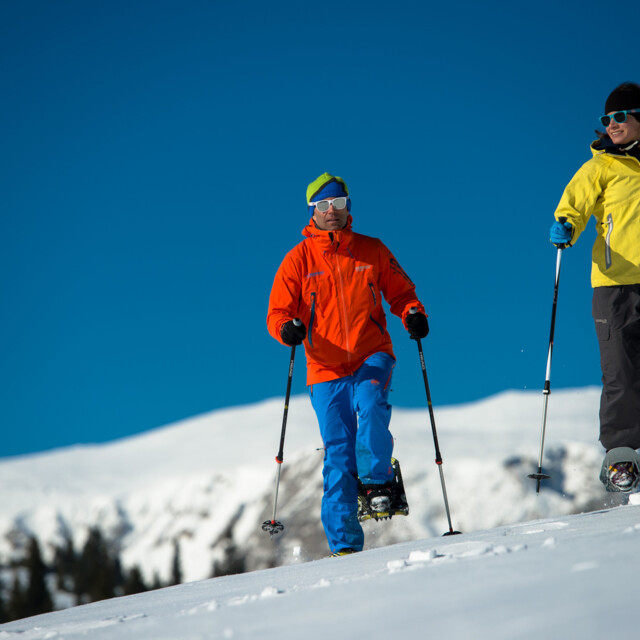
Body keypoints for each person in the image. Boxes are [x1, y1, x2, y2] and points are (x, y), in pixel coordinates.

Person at [267, 172, 429, 555]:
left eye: (339, 204)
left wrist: (412, 313)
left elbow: (402, 291)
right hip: (324, 368)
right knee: (337, 448)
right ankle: (344, 547)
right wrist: (286, 329)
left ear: (348, 206)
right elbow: (278, 311)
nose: (332, 212)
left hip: (370, 352)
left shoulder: (372, 250)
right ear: (313, 212)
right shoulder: (298, 260)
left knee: (370, 405)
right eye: (323, 206)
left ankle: (378, 484)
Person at [550, 82, 640, 493]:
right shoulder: (600, 166)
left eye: (620, 116)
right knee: (620, 370)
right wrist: (566, 226)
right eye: (607, 119)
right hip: (614, 284)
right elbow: (574, 204)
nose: (612, 125)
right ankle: (622, 456)